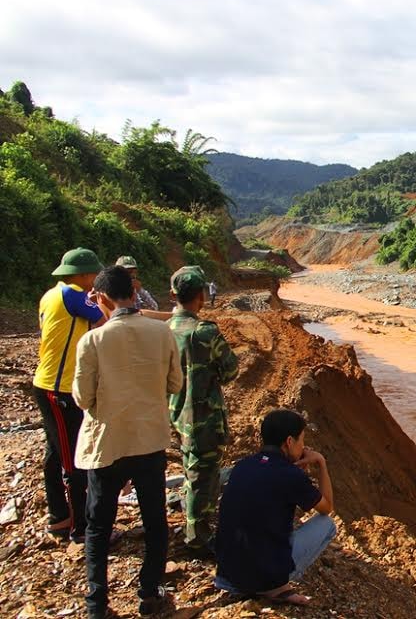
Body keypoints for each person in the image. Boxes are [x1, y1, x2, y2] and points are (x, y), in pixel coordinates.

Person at [72, 265, 182, 619]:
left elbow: (82, 398)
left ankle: (96, 604)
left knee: (99, 526)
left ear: (101, 298)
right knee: (155, 521)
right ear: (134, 294)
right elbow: (175, 384)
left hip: (108, 443)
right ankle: (150, 593)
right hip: (149, 439)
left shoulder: (92, 340)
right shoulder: (160, 333)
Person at [215, 410, 335, 606]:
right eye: (302, 441)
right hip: (260, 579)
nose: (303, 447)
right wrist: (321, 464)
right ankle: (277, 588)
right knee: (327, 524)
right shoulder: (290, 476)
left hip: (227, 575)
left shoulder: (243, 466)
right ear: (289, 442)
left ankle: (258, 580)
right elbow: (326, 507)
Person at [32, 247, 110, 544]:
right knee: (74, 460)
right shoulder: (73, 295)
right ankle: (81, 529)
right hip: (60, 389)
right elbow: (108, 315)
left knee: (55, 453)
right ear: (80, 275)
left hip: (48, 384)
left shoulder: (51, 295)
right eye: (93, 274)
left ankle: (59, 516)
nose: (95, 280)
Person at [168, 266, 238, 557]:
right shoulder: (204, 332)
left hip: (176, 411)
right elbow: (231, 370)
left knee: (191, 466)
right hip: (204, 416)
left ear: (173, 294)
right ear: (201, 295)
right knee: (204, 474)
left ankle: (195, 521)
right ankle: (197, 538)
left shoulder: (166, 329)